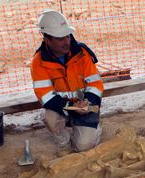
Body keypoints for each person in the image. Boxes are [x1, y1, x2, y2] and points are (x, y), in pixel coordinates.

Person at [31, 10, 103, 152]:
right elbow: (46, 97)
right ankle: (64, 141)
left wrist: (88, 103)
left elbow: (95, 85)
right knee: (49, 117)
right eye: (60, 38)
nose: (67, 42)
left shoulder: (83, 54)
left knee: (83, 147)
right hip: (63, 107)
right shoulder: (38, 62)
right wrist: (72, 106)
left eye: (68, 36)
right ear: (47, 39)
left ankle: (95, 127)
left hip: (86, 106)